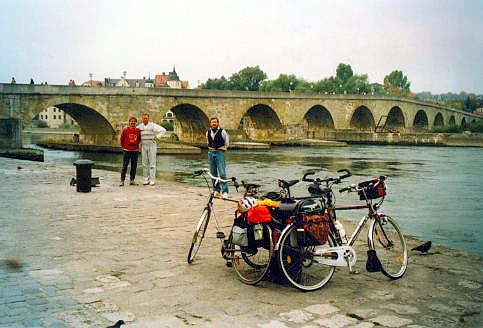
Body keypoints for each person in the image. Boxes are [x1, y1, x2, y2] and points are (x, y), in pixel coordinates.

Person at [137, 113, 166, 186]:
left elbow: (163, 130)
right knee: (144, 163)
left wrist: (157, 137)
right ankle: (145, 179)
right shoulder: (139, 127)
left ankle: (152, 180)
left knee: (152, 163)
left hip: (152, 145)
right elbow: (136, 135)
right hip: (144, 145)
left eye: (146, 118)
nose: (145, 119)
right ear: (142, 119)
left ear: (148, 118)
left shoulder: (153, 125)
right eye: (144, 118)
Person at [206, 117, 229, 198]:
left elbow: (227, 143)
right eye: (212, 122)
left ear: (218, 123)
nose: (214, 124)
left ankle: (225, 191)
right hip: (211, 153)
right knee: (213, 173)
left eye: (215, 122)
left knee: (222, 172)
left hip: (219, 153)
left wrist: (223, 149)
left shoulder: (222, 132)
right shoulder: (208, 132)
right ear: (210, 123)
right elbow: (208, 142)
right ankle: (216, 190)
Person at [119, 117, 141, 186]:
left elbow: (139, 139)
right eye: (131, 121)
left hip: (135, 150)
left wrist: (136, 146)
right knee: (125, 165)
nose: (133, 123)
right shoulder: (125, 130)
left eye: (134, 122)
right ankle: (122, 180)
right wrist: (124, 147)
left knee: (134, 166)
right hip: (126, 150)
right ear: (129, 122)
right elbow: (122, 139)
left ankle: (132, 180)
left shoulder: (138, 130)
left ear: (136, 123)